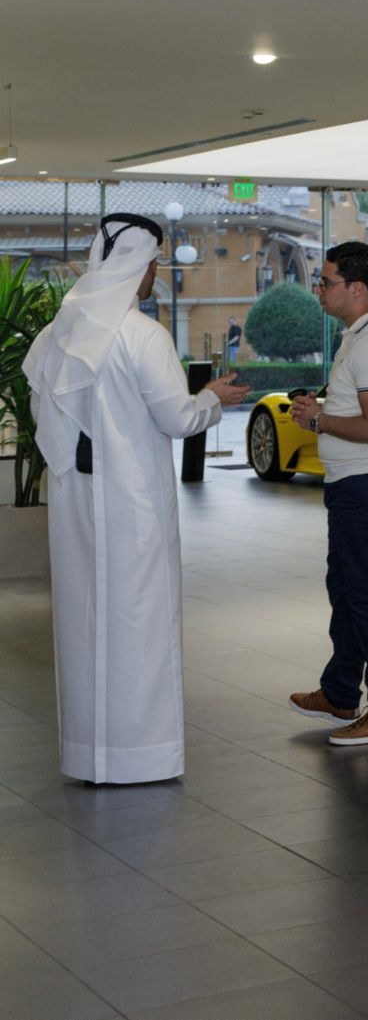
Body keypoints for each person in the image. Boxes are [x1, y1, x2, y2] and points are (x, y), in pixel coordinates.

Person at [24, 214, 249, 783]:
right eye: (152, 264)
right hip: (132, 504)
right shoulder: (141, 335)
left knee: (82, 619)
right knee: (140, 619)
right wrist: (212, 397)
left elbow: (42, 412)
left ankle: (87, 751)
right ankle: (140, 755)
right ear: (136, 266)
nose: (154, 275)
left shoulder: (60, 333)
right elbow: (177, 417)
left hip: (76, 498)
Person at [287, 242, 368, 746]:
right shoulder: (357, 337)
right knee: (346, 594)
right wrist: (321, 408)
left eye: (326, 281)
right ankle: (341, 692)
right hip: (352, 484)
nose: (318, 289)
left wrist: (319, 419)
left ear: (357, 288)